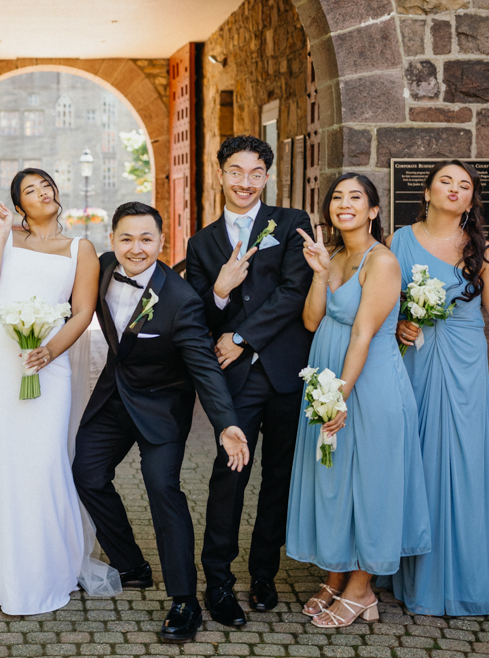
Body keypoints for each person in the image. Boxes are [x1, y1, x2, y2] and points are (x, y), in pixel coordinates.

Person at [73, 201, 250, 643]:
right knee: (87, 474)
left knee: (162, 490)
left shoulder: (181, 300)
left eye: (147, 239)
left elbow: (204, 369)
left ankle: (184, 600)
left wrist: (225, 422)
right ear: (112, 240)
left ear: (162, 242)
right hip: (113, 397)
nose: (136, 248)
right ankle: (131, 563)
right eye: (127, 238)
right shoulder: (101, 266)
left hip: (161, 407)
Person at [385, 160, 489, 616]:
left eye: (465, 185)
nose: (455, 190)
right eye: (445, 182)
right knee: (416, 458)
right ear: (428, 192)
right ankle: (407, 570)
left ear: (472, 199)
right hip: (414, 361)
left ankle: (464, 577)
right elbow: (378, 298)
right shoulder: (399, 240)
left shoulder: (482, 249)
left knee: (463, 462)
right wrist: (398, 322)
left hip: (463, 364)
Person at [0, 168, 102, 615]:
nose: (44, 193)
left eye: (48, 185)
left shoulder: (82, 248)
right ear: (19, 206)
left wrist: (50, 351)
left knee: (42, 462)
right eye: (31, 190)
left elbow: (82, 312)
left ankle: (41, 575)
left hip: (46, 366)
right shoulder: (7, 237)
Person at [286, 175, 431, 628]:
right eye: (337, 197)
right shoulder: (333, 255)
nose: (344, 204)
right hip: (331, 374)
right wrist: (319, 274)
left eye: (355, 198)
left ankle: (362, 587)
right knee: (334, 478)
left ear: (373, 211)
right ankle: (335, 575)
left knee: (371, 482)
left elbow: (364, 334)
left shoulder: (381, 261)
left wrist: (339, 397)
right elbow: (312, 320)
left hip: (367, 384)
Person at [184, 135, 314, 623]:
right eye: (235, 171)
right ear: (221, 173)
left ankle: (263, 573)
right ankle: (218, 581)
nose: (244, 181)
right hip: (235, 382)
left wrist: (240, 335)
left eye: (255, 172)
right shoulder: (202, 243)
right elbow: (196, 311)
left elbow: (294, 290)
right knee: (228, 480)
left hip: (285, 373)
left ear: (266, 176)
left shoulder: (291, 223)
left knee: (278, 479)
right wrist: (219, 292)